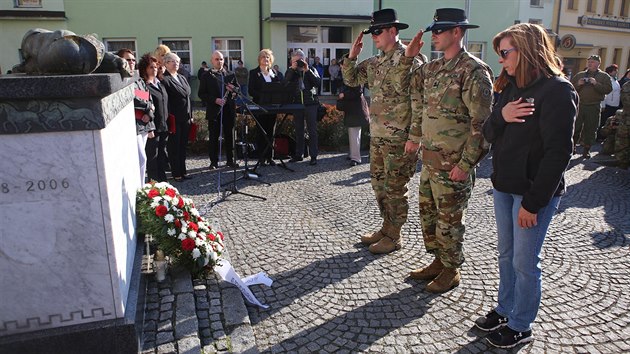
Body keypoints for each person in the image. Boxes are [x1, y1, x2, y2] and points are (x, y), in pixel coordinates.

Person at [476, 23, 578, 348]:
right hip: (503, 187)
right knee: (506, 255)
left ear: (526, 49)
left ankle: (521, 324)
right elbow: (489, 133)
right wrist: (501, 115)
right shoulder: (507, 87)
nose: (501, 60)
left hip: (532, 193)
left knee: (524, 262)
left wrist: (533, 204)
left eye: (505, 53)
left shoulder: (558, 91)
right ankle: (505, 310)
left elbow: (559, 153)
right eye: (500, 54)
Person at [405, 8, 493, 293]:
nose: (434, 36)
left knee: (449, 221)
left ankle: (451, 269)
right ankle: (439, 262)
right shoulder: (432, 68)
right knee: (429, 217)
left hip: (454, 164)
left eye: (440, 30)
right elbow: (403, 85)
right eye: (433, 30)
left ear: (457, 32)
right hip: (430, 162)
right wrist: (409, 56)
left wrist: (466, 165)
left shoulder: (474, 71)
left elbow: (482, 127)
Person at [342, 8, 426, 254]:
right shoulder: (374, 62)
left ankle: (395, 235)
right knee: (379, 185)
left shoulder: (412, 58)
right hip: (379, 136)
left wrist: (415, 137)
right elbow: (351, 80)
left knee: (395, 187)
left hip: (400, 138)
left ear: (393, 31)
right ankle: (386, 228)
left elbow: (419, 100)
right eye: (371, 32)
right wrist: (352, 56)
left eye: (377, 32)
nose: (373, 36)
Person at [198, 50, 238, 169]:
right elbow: (201, 94)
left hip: (228, 109)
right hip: (214, 110)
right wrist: (215, 100)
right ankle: (214, 162)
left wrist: (233, 90)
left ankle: (230, 160)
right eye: (216, 59)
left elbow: (237, 90)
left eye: (221, 59)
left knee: (230, 136)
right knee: (214, 137)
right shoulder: (206, 75)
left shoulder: (230, 74)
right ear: (212, 61)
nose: (219, 61)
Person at [121, 49, 155, 185]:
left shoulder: (139, 80)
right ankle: (139, 188)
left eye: (133, 59)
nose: (131, 62)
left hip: (143, 123)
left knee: (141, 160)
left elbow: (149, 98)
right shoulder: (122, 79)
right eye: (128, 59)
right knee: (141, 158)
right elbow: (134, 97)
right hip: (132, 124)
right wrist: (147, 106)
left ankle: (140, 188)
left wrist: (149, 113)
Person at [570, 54, 612, 158]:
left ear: (598, 64)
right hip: (580, 105)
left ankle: (586, 149)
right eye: (589, 61)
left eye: (592, 62)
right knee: (575, 127)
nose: (589, 63)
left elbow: (608, 89)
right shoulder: (580, 75)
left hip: (594, 106)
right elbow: (570, 88)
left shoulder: (604, 76)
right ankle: (573, 147)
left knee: (591, 128)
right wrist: (578, 84)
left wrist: (596, 84)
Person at [285, 49, 321, 165]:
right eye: (296, 61)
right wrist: (292, 69)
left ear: (304, 59)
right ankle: (298, 154)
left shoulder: (311, 69)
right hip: (297, 104)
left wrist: (307, 70)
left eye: (300, 60)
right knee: (299, 130)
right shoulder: (290, 71)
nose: (299, 63)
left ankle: (314, 156)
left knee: (312, 131)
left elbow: (318, 83)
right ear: (292, 61)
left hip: (310, 103)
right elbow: (285, 83)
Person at [162, 52, 193, 182]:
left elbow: (188, 96)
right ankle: (176, 173)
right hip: (174, 118)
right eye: (173, 61)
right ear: (166, 63)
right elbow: (166, 100)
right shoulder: (165, 79)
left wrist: (191, 115)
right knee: (174, 146)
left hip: (185, 117)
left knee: (183, 146)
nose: (176, 64)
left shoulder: (181, 77)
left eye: (178, 62)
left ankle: (183, 171)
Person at [248, 49, 281, 166]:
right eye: (263, 57)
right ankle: (261, 157)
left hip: (272, 107)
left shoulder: (275, 74)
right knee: (261, 132)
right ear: (259, 59)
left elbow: (279, 88)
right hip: (260, 106)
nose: (265, 59)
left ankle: (270, 157)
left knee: (271, 131)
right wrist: (263, 95)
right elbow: (251, 90)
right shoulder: (253, 73)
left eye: (267, 57)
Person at [141, 53, 170, 182]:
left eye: (156, 67)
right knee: (152, 157)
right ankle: (153, 183)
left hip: (163, 125)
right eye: (151, 67)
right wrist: (148, 128)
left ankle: (163, 182)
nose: (154, 69)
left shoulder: (160, 83)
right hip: (152, 127)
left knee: (161, 157)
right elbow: (142, 106)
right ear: (145, 69)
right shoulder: (142, 86)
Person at [338, 82, 369, 166]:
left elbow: (358, 91)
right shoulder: (348, 76)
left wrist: (344, 94)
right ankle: (353, 155)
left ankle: (356, 158)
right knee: (352, 133)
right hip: (352, 109)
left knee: (354, 134)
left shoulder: (356, 77)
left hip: (356, 109)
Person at [599, 64, 621, 139]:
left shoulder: (615, 80)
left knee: (611, 122)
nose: (616, 72)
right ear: (610, 72)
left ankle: (606, 136)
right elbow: (604, 93)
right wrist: (603, 105)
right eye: (615, 71)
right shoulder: (607, 80)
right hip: (608, 104)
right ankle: (600, 136)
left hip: (614, 105)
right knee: (604, 121)